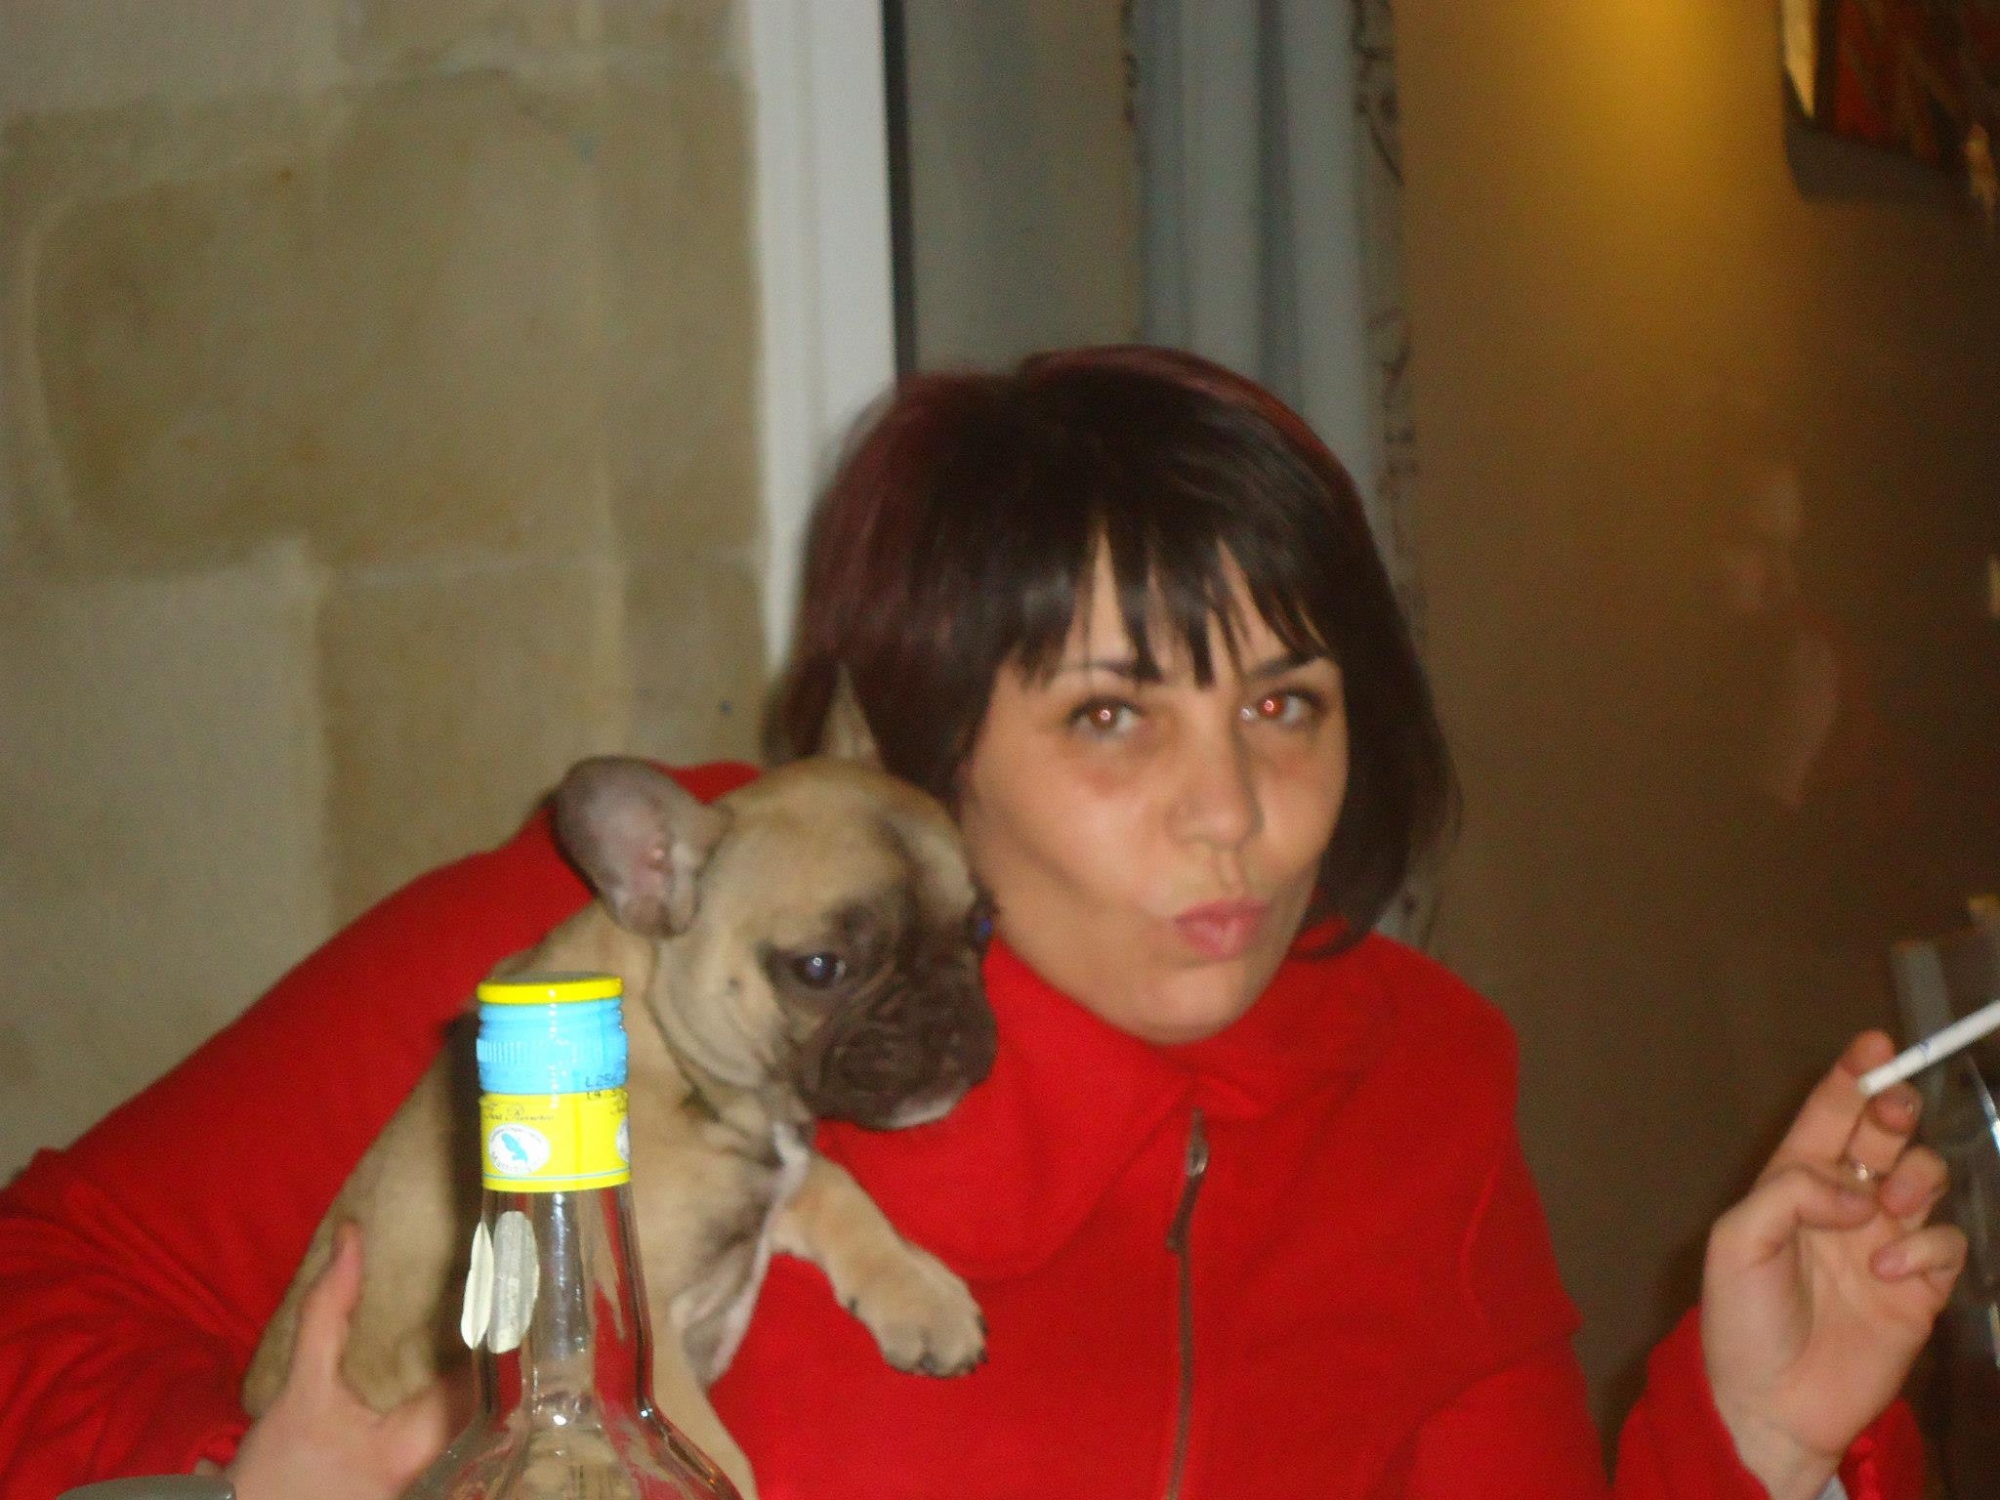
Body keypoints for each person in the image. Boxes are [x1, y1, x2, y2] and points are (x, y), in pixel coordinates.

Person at [0, 347, 1963, 1500]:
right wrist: (263, 1471)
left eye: (1287, 702)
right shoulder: (616, 956)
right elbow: (46, 1285)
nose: (1233, 809)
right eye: (1113, 714)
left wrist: (1750, 1434)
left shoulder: (1421, 1082)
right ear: (930, 747)